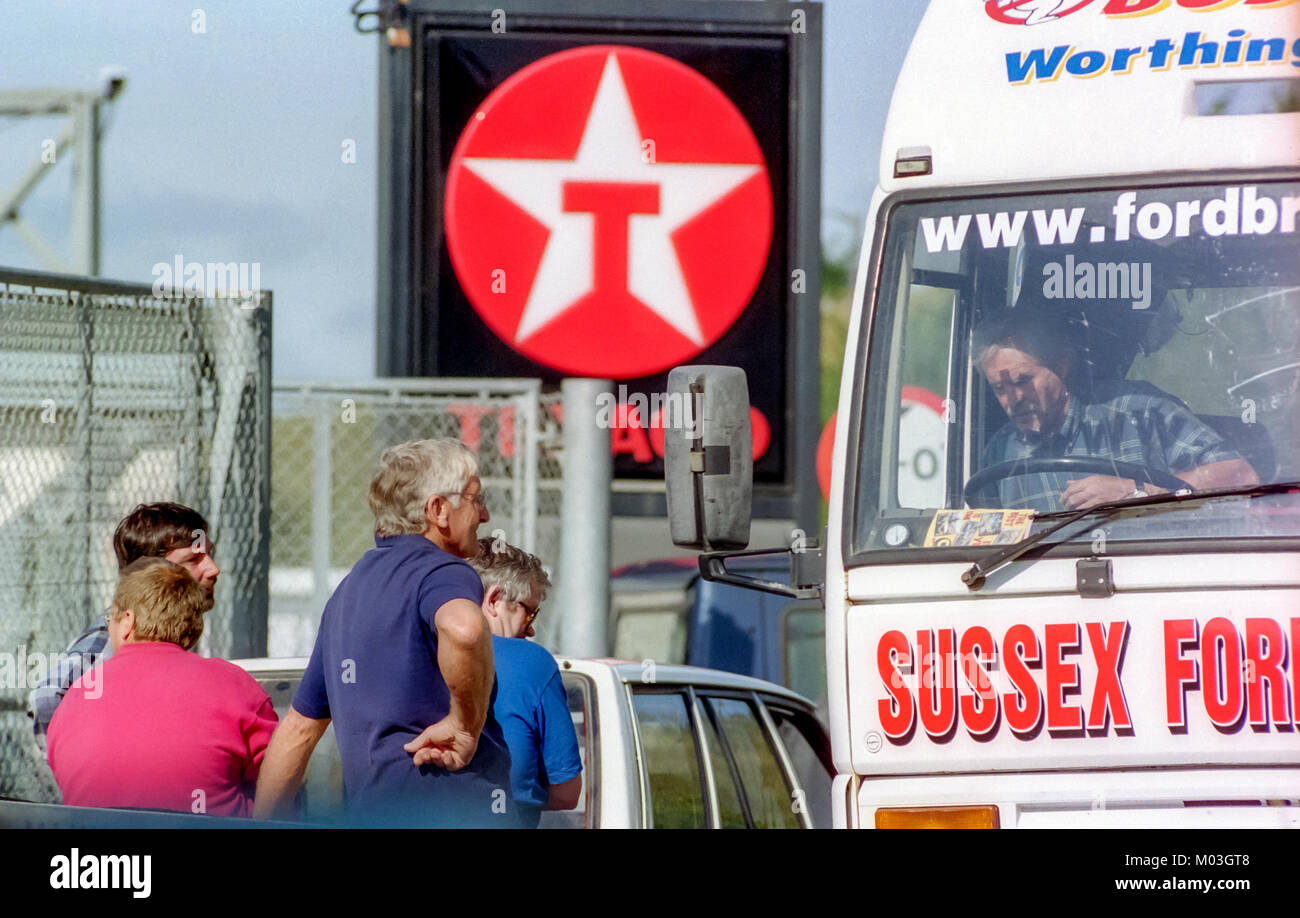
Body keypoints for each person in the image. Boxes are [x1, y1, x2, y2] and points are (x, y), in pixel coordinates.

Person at [253, 438, 514, 827]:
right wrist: (465, 725)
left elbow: (298, 730)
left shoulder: (348, 592)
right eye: (476, 499)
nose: (485, 514)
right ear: (438, 510)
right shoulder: (443, 571)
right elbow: (464, 628)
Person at [46, 557, 277, 816]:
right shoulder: (235, 685)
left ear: (128, 622)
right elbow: (283, 772)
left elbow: (66, 776)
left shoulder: (78, 693)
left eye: (111, 617)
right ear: (194, 629)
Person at [975, 310, 1258, 512]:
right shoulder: (999, 454)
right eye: (999, 388)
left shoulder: (1139, 412)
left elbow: (1240, 476)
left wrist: (1134, 492)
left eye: (1023, 381)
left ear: (1061, 366)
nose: (1013, 399)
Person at [28, 501, 221, 755]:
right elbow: (47, 698)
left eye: (209, 554)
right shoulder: (107, 641)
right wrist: (84, 772)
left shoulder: (169, 632)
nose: (213, 569)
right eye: (194, 559)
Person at [469, 537, 582, 829]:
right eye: (529, 611)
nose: (531, 629)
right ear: (494, 601)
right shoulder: (531, 662)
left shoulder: (416, 650)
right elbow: (567, 792)